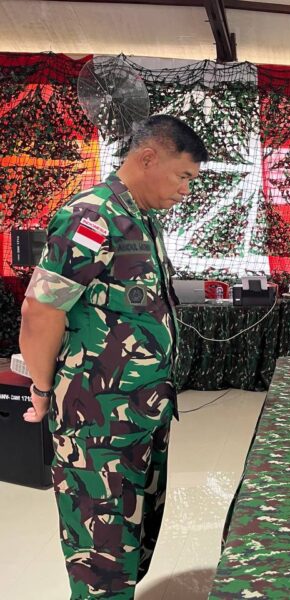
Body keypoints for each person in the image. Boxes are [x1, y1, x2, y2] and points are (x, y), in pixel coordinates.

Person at [19, 115, 207, 599]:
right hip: (97, 424)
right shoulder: (92, 217)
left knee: (131, 540)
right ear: (148, 159)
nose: (186, 189)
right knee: (99, 555)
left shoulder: (142, 219)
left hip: (140, 416)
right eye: (183, 175)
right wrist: (42, 391)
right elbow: (41, 312)